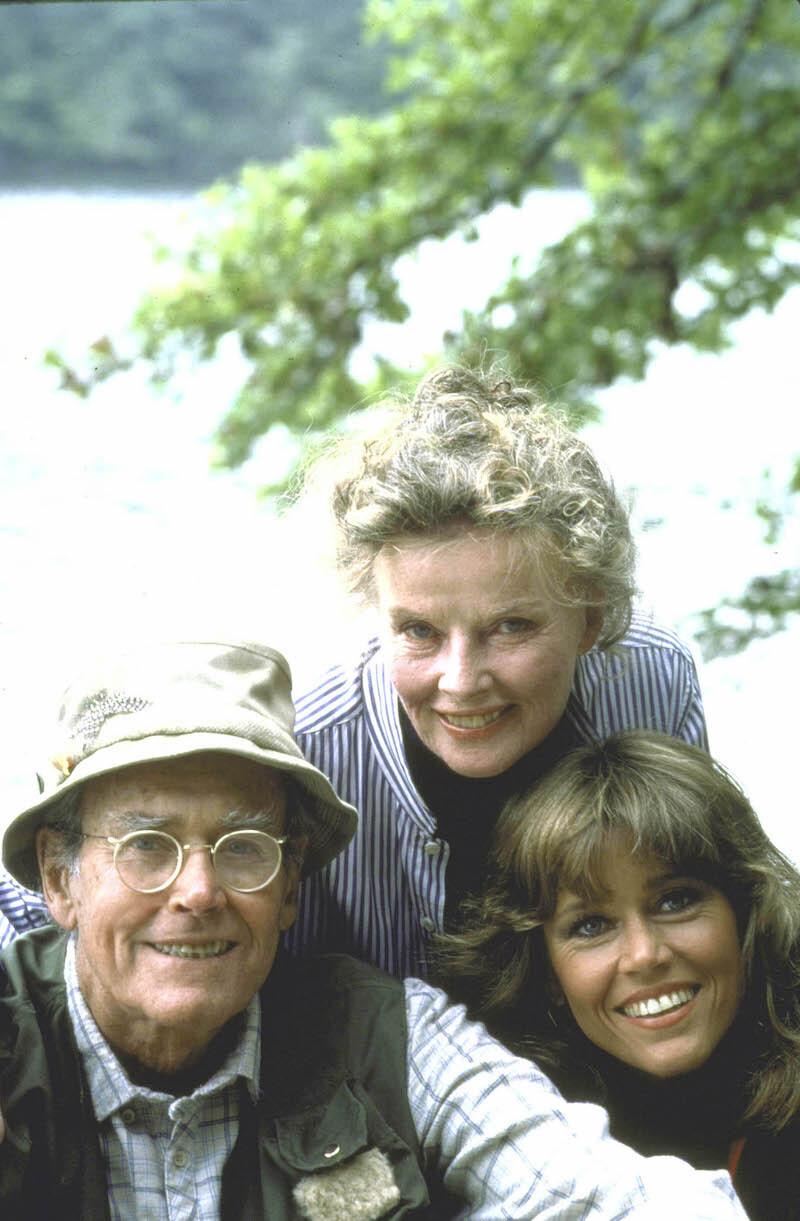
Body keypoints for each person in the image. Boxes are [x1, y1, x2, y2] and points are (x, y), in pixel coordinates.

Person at [0, 640, 746, 1218]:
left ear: (291, 887)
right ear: (61, 878)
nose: (199, 891)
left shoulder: (389, 1033)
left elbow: (618, 1197)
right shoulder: (14, 1034)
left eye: (245, 848)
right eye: (147, 846)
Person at [288, 364, 708, 977]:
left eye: (510, 627)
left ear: (590, 618)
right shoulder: (313, 748)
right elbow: (299, 1007)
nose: (461, 681)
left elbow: (704, 901)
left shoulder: (651, 681)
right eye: (418, 631)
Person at [435, 730, 800, 1221]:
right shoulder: (532, 1150)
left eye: (676, 900)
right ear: (546, 975)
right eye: (591, 926)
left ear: (746, 912)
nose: (643, 956)